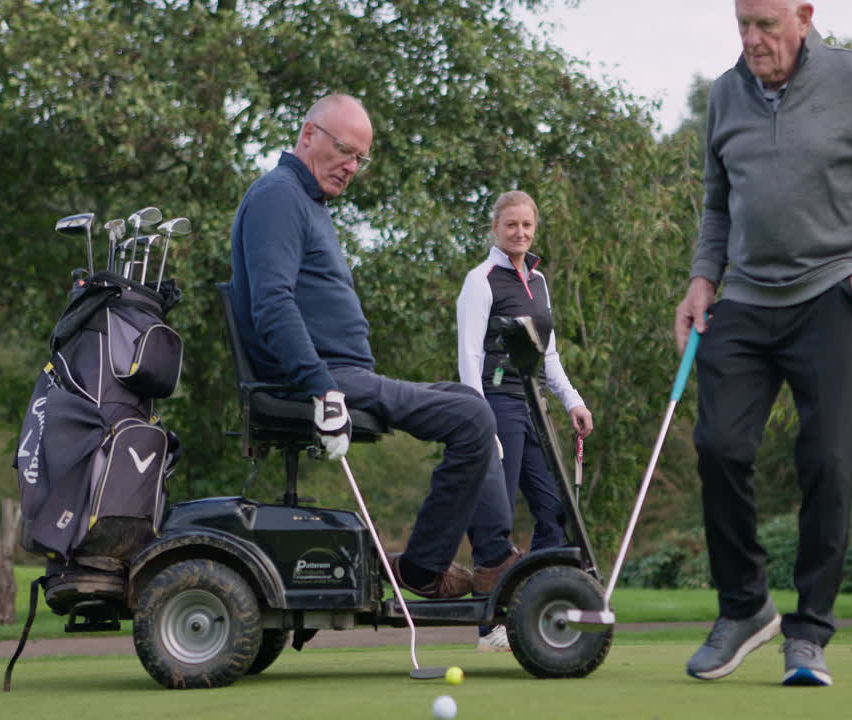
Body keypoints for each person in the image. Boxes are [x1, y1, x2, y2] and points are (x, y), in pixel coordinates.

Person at [673, 1, 852, 687]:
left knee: (826, 461)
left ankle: (809, 631)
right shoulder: (726, 94)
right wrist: (704, 278)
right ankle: (744, 608)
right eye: (742, 23)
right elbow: (716, 201)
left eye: (765, 23)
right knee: (718, 446)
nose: (752, 38)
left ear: (804, 15)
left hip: (830, 296)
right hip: (745, 300)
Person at [229, 93, 521, 601]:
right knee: (472, 419)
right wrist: (322, 389)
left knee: (472, 404)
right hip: (321, 380)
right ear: (308, 134)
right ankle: (431, 569)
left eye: (360, 159)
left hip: (342, 374)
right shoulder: (278, 196)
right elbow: (272, 306)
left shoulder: (307, 203)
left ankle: (492, 561)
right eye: (345, 151)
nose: (352, 167)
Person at [456, 190, 594, 651]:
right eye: (511, 224)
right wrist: (481, 422)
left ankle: (530, 605)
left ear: (535, 229)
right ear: (495, 227)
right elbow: (470, 357)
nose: (520, 232)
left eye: (527, 226)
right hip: (494, 405)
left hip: (532, 405)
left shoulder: (538, 281)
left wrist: (573, 401)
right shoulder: (481, 281)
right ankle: (489, 625)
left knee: (554, 506)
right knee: (495, 511)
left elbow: (548, 356)